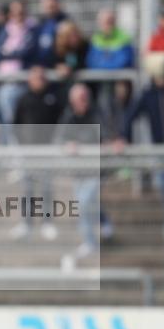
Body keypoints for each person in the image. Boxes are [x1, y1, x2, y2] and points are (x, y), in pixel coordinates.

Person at [54, 83, 112, 265]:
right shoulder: (68, 116)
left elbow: (109, 135)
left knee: (85, 203)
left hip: (96, 170)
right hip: (78, 171)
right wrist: (67, 144)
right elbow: (59, 137)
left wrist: (109, 144)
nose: (82, 103)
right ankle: (104, 223)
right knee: (85, 203)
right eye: (79, 99)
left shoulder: (97, 113)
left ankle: (90, 241)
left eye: (85, 98)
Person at [11, 66, 63, 241]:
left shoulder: (53, 97)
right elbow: (16, 124)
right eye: (35, 77)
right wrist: (22, 145)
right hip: (28, 151)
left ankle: (47, 222)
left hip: (47, 150)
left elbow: (59, 122)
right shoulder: (23, 99)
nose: (39, 80)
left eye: (42, 77)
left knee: (47, 187)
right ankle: (26, 223)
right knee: (27, 188)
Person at [87, 8, 136, 137]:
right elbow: (92, 62)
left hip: (120, 85)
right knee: (103, 115)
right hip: (103, 85)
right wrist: (109, 66)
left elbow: (124, 61)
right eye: (104, 22)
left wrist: (104, 66)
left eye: (110, 21)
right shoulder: (96, 39)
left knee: (121, 118)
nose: (107, 24)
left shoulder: (123, 38)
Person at [0, 0, 37, 139]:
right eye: (14, 13)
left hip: (23, 83)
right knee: (7, 121)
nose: (17, 16)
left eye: (21, 12)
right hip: (5, 82)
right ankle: (10, 151)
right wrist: (12, 53)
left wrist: (8, 53)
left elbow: (27, 52)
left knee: (21, 121)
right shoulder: (5, 30)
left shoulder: (32, 29)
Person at [34, 0, 67, 67]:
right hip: (42, 67)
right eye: (46, 3)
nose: (49, 5)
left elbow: (72, 48)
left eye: (52, 3)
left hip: (59, 68)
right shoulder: (39, 23)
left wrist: (66, 63)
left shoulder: (65, 22)